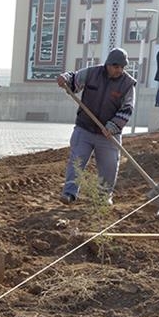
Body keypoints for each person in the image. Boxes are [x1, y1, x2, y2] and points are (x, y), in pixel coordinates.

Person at [57, 48, 136, 205]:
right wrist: (65, 79)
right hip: (84, 128)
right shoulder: (92, 73)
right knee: (76, 161)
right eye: (115, 66)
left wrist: (113, 126)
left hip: (108, 134)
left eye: (121, 67)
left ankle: (103, 196)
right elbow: (74, 79)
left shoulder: (127, 84)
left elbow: (127, 109)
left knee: (109, 166)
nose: (118, 70)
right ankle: (69, 193)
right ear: (107, 64)